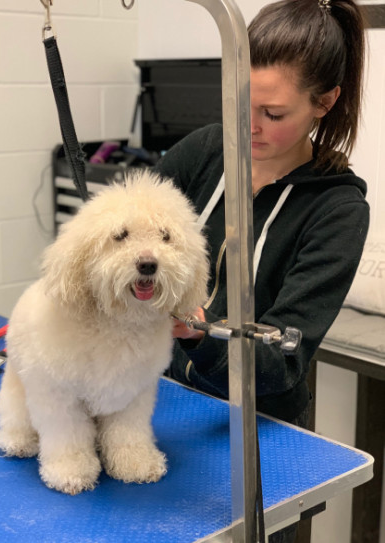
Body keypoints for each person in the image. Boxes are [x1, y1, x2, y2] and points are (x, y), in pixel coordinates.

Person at [154, 0, 369, 540]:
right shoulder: (204, 151)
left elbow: (283, 357)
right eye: (240, 101)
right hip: (161, 407)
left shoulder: (337, 210)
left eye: (273, 114)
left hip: (260, 435)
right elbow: (127, 219)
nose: (248, 125)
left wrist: (199, 331)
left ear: (325, 102)